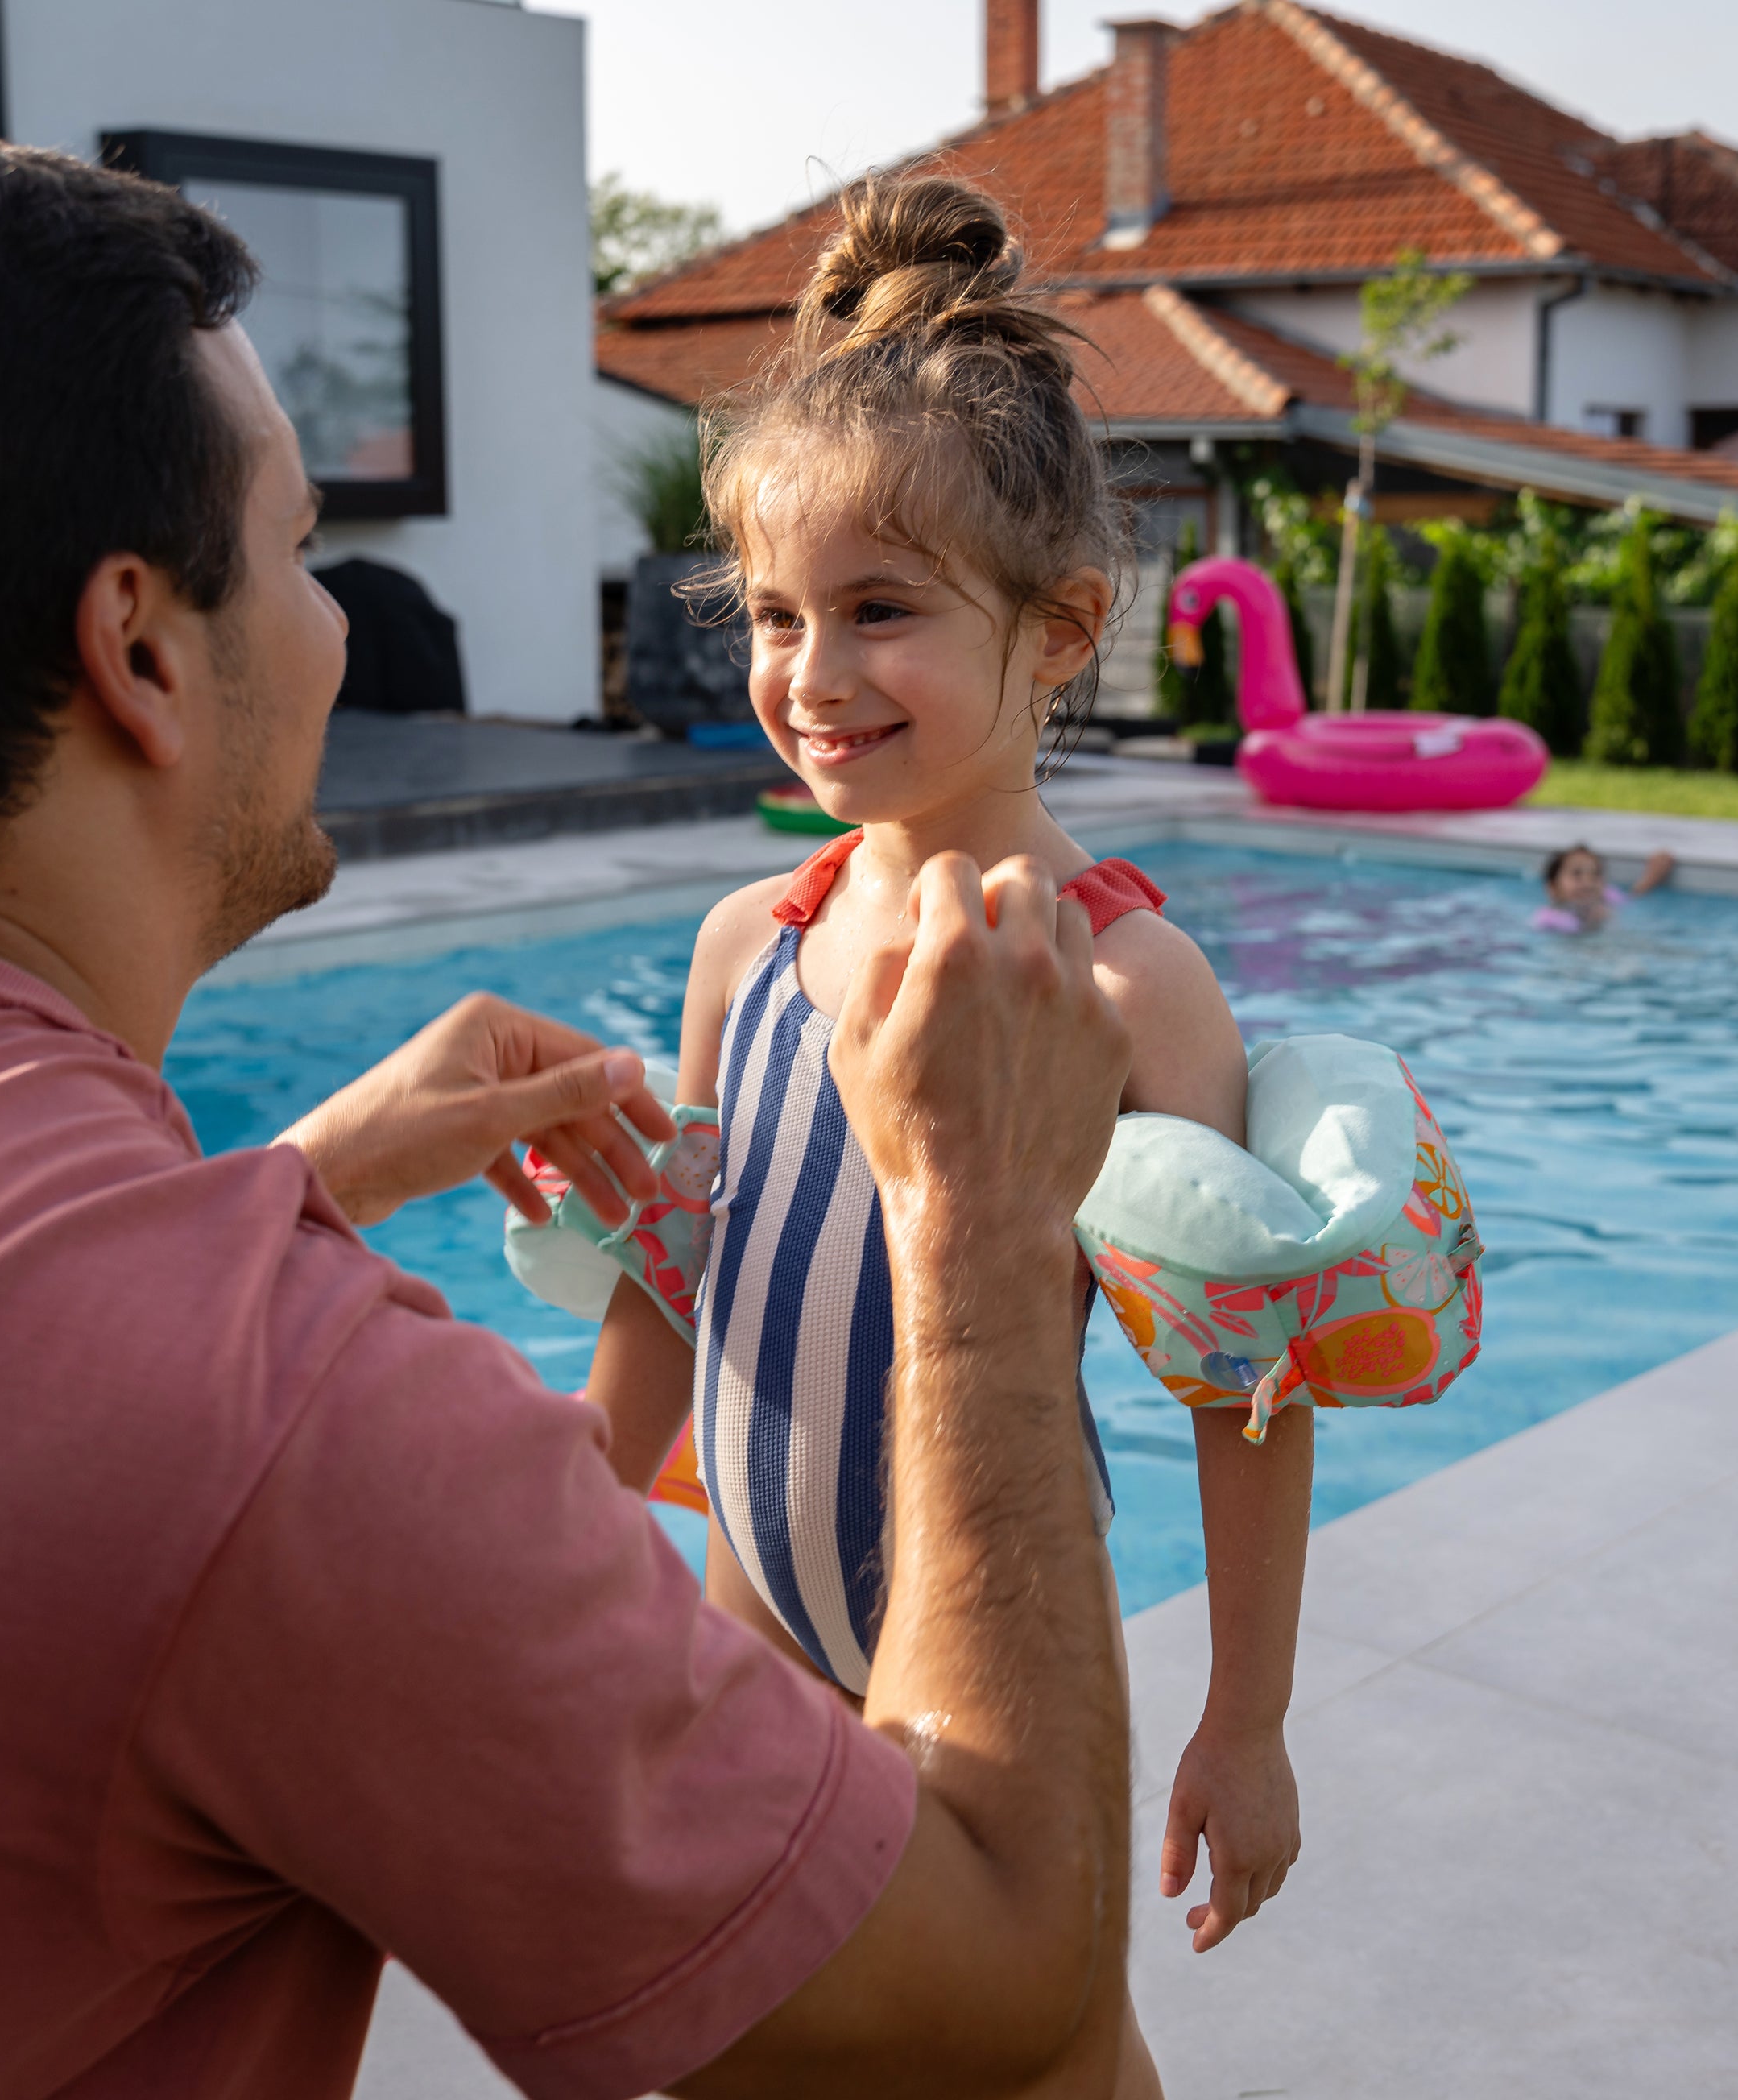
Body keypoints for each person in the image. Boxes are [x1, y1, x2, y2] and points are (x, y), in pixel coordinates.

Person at [0, 134, 1143, 2096]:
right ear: (140, 652)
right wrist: (976, 1221)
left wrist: (293, 1181)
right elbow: (998, 1984)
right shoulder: (292, 1423)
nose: (341, 626)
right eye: (299, 551)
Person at [581, 176, 1311, 2097]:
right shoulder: (754, 940)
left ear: (1063, 625)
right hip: (752, 1612)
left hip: (999, 1632)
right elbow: (687, 1259)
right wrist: (571, 1524)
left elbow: (1248, 1380)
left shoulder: (1124, 982)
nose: (810, 678)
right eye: (772, 614)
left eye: (879, 611)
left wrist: (1248, 1716)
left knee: (1037, 2047)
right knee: (748, 2037)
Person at [1533, 843, 1676, 933]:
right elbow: (1574, 936)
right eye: (1577, 874)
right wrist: (1592, 923)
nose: (1588, 882)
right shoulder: (1548, 918)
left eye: (1596, 874)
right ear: (1553, 888)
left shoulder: (1605, 898)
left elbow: (1632, 898)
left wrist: (1653, 876)